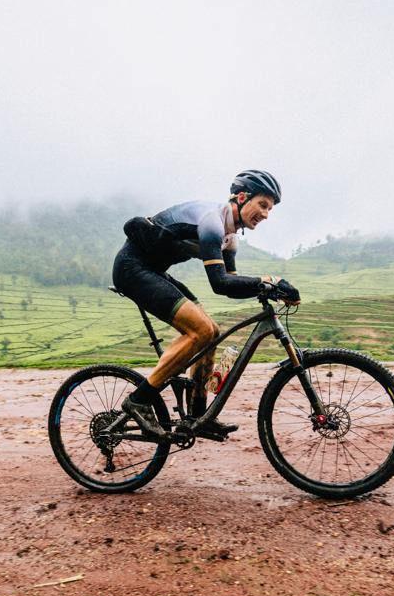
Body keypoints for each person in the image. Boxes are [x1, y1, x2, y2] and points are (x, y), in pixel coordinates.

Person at [112, 170, 300, 438]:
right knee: (200, 329)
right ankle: (139, 401)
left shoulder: (229, 240)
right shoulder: (212, 222)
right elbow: (219, 283)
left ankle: (199, 417)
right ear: (242, 197)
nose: (266, 214)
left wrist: (268, 288)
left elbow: (232, 287)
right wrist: (270, 280)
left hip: (153, 271)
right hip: (132, 268)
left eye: (270, 209)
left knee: (212, 333)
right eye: (262, 205)